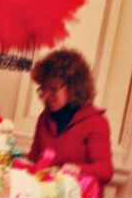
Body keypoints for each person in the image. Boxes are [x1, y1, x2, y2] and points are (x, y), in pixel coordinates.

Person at [29, 48, 114, 186]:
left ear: (74, 87)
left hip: (79, 197)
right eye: (44, 89)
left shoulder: (95, 122)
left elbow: (105, 171)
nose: (47, 95)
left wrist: (77, 169)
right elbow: (34, 159)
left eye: (53, 89)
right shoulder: (44, 118)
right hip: (47, 195)